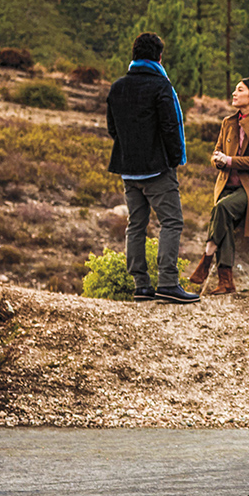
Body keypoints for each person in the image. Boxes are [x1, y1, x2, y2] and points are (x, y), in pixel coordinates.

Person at [106, 32, 199, 304]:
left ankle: (141, 286)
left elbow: (113, 128)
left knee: (136, 225)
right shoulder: (161, 86)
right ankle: (168, 282)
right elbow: (171, 126)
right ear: (159, 57)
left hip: (128, 169)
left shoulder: (117, 87)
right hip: (157, 169)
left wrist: (130, 150)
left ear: (134, 55)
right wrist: (174, 159)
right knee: (171, 221)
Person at [187, 77, 249, 296]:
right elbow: (216, 152)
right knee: (224, 219)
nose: (234, 94)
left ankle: (207, 256)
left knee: (222, 208)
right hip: (226, 185)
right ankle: (226, 282)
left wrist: (230, 161)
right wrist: (218, 160)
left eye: (240, 90)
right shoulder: (228, 122)